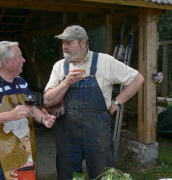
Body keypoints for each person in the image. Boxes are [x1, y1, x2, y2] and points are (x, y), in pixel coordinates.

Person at [43, 25, 144, 179]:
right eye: (63, 42)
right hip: (67, 135)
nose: (64, 46)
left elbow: (137, 79)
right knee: (67, 175)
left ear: (83, 43)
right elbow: (48, 100)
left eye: (69, 42)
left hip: (97, 135)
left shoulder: (104, 61)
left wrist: (117, 102)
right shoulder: (60, 66)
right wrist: (66, 83)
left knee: (102, 175)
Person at [0, 41, 56, 180]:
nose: (24, 60)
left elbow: (31, 108)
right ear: (7, 61)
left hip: (24, 152)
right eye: (20, 56)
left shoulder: (21, 82)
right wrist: (11, 115)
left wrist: (42, 118)